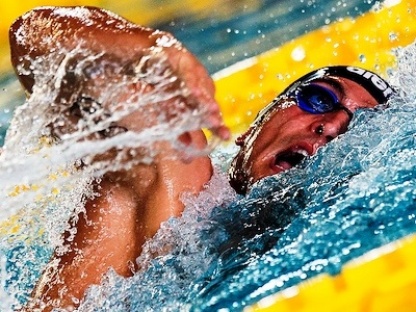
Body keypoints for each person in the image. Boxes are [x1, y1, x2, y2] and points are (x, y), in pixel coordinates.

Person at [8, 6, 394, 311]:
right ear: (252, 128)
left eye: (356, 130)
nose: (329, 126)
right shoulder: (178, 171)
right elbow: (32, 37)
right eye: (319, 99)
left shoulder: (304, 248)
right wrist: (151, 49)